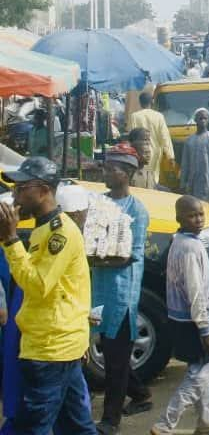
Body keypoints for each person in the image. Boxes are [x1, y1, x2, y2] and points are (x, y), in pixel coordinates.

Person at [0, 157, 95, 435]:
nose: (15, 195)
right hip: (57, 343)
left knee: (36, 425)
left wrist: (10, 240)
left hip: (51, 349)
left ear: (42, 191)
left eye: (21, 188)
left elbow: (38, 284)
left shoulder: (60, 234)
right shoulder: (44, 228)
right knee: (76, 423)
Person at [152, 196, 209, 435]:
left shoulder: (178, 241)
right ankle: (165, 424)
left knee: (200, 368)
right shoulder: (190, 248)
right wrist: (205, 329)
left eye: (200, 215)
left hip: (182, 318)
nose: (198, 220)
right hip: (194, 320)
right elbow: (195, 291)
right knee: (200, 375)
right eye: (192, 216)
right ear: (179, 218)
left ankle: (205, 419)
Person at [93, 144, 153, 434]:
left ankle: (110, 420)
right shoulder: (99, 203)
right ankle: (140, 395)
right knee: (110, 352)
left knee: (116, 360)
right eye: (105, 167)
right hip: (98, 290)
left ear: (127, 174)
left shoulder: (137, 211)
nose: (105, 172)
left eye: (111, 168)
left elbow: (131, 254)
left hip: (121, 293)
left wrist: (97, 257)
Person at [128, 90, 175, 182]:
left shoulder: (134, 116)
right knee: (153, 178)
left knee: (140, 176)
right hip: (155, 153)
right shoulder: (159, 116)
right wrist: (170, 156)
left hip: (139, 152)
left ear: (140, 102)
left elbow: (132, 136)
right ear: (152, 102)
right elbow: (165, 137)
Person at [182, 108, 209, 202]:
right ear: (195, 120)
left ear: (208, 120)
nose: (203, 120)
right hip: (191, 183)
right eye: (200, 118)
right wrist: (183, 184)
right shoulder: (189, 141)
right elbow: (185, 164)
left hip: (207, 181)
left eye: (205, 118)